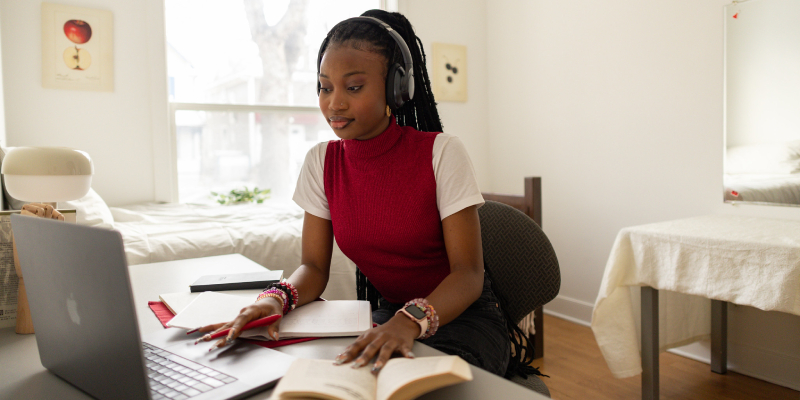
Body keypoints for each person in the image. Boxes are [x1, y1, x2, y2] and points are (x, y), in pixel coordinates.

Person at [198, 9, 533, 379]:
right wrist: (275, 298)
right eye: (325, 87)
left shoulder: (442, 153)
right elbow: (313, 267)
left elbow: (468, 275)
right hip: (392, 315)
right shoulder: (321, 162)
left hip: (464, 320)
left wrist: (410, 322)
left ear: (396, 88)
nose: (334, 103)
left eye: (353, 87)